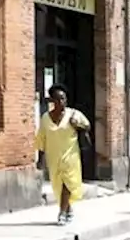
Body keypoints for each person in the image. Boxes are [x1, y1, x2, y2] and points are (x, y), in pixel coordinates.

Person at [34, 84, 91, 226]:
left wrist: (77, 125)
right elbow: (41, 138)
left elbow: (87, 125)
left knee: (67, 183)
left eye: (64, 99)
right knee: (58, 186)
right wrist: (40, 159)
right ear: (52, 100)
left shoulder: (73, 114)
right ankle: (68, 209)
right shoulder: (45, 118)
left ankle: (61, 213)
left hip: (70, 155)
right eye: (58, 99)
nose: (62, 103)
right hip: (54, 158)